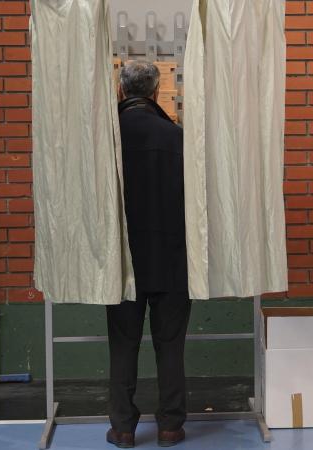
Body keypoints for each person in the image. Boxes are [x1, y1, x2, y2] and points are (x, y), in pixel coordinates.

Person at [106, 61, 190, 448]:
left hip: (123, 260)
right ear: (157, 93)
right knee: (170, 345)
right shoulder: (177, 137)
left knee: (123, 345)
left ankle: (123, 428)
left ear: (121, 92)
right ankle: (171, 427)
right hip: (171, 260)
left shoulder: (107, 139)